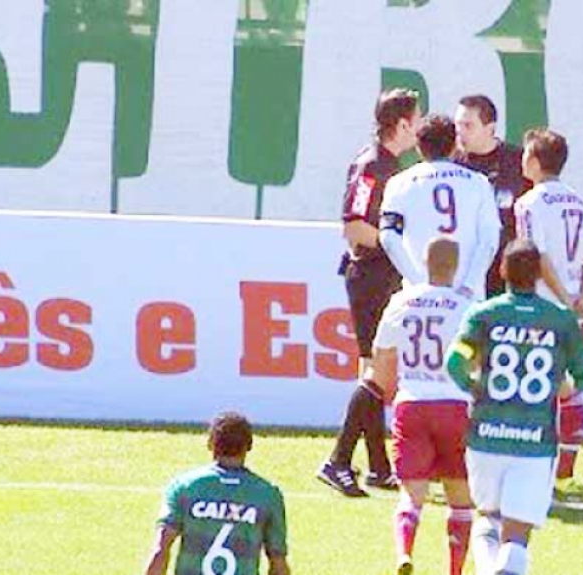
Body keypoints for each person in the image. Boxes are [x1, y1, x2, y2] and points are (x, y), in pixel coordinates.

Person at [446, 240, 583, 575]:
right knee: (517, 534)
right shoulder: (560, 320)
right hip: (535, 443)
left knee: (488, 517)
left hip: (486, 434)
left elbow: (455, 363)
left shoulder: (483, 314)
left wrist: (475, 389)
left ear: (501, 270)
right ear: (541, 274)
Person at [317, 88, 421, 497]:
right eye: (417, 117)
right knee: (375, 371)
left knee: (377, 371)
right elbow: (355, 226)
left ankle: (378, 466)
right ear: (402, 124)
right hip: (370, 275)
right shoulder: (373, 165)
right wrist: (398, 246)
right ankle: (339, 460)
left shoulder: (389, 163)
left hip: (382, 275)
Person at [371, 236, 475, 575]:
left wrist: (389, 392)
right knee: (460, 495)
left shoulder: (402, 302)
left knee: (411, 494)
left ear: (424, 264)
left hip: (413, 402)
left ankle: (404, 552)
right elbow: (478, 360)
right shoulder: (465, 305)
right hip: (454, 405)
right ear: (456, 267)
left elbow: (383, 354)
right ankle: (455, 570)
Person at [513, 128, 583, 481]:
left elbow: (536, 256)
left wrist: (563, 299)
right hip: (576, 312)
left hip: (545, 308)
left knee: (533, 386)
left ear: (535, 161)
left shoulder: (529, 203)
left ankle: (537, 466)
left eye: (525, 154)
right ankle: (564, 466)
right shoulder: (578, 201)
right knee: (567, 388)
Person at [142, 411, 290, 575]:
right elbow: (278, 563)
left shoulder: (184, 487)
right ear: (249, 446)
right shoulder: (267, 495)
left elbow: (160, 549)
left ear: (211, 444)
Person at [380, 114, 501, 300]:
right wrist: (469, 285)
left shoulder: (399, 183)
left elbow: (388, 237)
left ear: (418, 147)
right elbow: (489, 239)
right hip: (467, 297)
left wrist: (418, 284)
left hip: (418, 298)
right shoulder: (479, 182)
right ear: (454, 146)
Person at [453, 94, 532, 298]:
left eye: (468, 126)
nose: (460, 133)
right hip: (463, 272)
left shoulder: (517, 161)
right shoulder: (451, 165)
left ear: (490, 128)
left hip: (506, 272)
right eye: (458, 125)